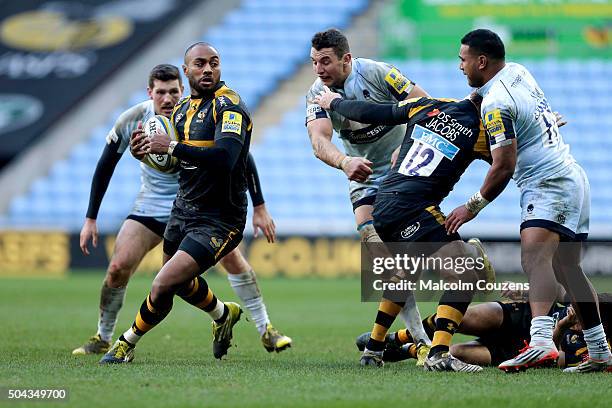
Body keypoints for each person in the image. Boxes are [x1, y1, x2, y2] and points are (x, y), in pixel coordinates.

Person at [73, 64, 291, 358]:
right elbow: (105, 165)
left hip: (202, 207)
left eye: (173, 91)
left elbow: (239, 156)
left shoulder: (195, 114)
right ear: (150, 93)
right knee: (117, 268)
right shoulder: (134, 119)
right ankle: (103, 336)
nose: (167, 98)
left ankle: (266, 329)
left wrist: (260, 206)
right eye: (160, 92)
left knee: (233, 262)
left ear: (182, 89)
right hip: (153, 203)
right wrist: (90, 218)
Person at [446, 28, 611, 372]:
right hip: (572, 177)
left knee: (536, 258)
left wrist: (470, 206)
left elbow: (504, 165)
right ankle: (599, 351)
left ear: (481, 61)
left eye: (463, 59)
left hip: (546, 182)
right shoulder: (518, 71)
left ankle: (539, 342)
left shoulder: (496, 104)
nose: (459, 66)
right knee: (568, 269)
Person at [100, 42, 260, 363]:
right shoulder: (183, 108)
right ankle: (222, 314)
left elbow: (226, 158)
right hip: (183, 210)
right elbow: (169, 157)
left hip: (220, 219)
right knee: (180, 282)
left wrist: (170, 145)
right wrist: (143, 149)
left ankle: (125, 343)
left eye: (214, 63)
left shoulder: (230, 107)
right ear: (186, 71)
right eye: (199, 64)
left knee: (162, 284)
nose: (208, 69)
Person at [314, 87, 493, 372]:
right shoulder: (482, 130)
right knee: (464, 274)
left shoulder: (426, 105)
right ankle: (440, 354)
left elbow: (373, 112)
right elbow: (507, 165)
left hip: (383, 203)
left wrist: (334, 102)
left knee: (405, 273)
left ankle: (373, 348)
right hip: (414, 207)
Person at [305, 28, 434, 362]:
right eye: (314, 62)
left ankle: (390, 341)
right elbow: (319, 141)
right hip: (362, 173)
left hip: (405, 170)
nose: (319, 69)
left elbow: (426, 106)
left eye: (326, 61)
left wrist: (407, 148)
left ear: (346, 59)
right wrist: (344, 161)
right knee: (381, 254)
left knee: (409, 258)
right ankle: (418, 341)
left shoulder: (379, 73)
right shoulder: (316, 93)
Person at [356, 292, 612, 369]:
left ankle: (408, 350)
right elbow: (556, 288)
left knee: (455, 353)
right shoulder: (582, 303)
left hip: (517, 350)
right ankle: (398, 336)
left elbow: (552, 360)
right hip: (521, 319)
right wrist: (527, 292)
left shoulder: (595, 350)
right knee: (461, 318)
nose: (575, 313)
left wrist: (561, 328)